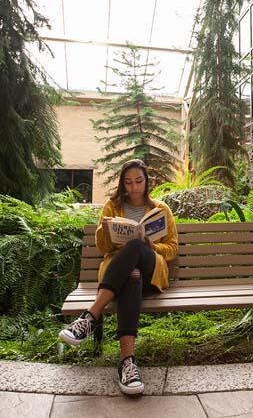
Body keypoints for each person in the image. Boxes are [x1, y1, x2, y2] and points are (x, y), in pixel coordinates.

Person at [59, 159, 178, 395]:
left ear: (146, 181)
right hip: (121, 276)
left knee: (135, 246)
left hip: (152, 271)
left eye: (139, 181)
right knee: (131, 274)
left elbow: (172, 249)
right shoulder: (112, 207)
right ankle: (127, 363)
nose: (134, 187)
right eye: (128, 182)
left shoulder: (161, 209)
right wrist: (103, 229)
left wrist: (150, 245)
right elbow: (104, 249)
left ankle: (91, 316)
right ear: (122, 184)